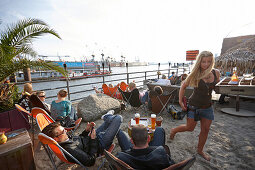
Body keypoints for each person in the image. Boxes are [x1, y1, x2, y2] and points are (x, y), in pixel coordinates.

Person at [170, 51, 220, 161]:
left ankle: (200, 150)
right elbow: (183, 86)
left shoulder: (216, 73)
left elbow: (217, 87)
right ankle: (174, 130)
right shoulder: (195, 74)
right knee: (190, 128)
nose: (206, 64)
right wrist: (180, 101)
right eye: (203, 62)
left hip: (207, 106)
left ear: (212, 61)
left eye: (209, 61)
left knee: (205, 130)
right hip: (194, 106)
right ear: (199, 62)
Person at [42, 111, 122, 167]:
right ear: (56, 139)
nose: (66, 131)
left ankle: (107, 117)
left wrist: (86, 131)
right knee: (118, 118)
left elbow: (78, 139)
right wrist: (93, 139)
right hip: (100, 145)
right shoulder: (70, 149)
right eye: (63, 131)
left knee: (110, 122)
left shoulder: (63, 140)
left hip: (91, 139)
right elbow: (90, 161)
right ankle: (107, 116)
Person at [115, 124, 193, 170]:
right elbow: (172, 165)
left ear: (132, 141)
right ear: (148, 138)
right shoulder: (162, 154)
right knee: (159, 130)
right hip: (155, 158)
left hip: (131, 158)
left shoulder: (121, 158)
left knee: (120, 133)